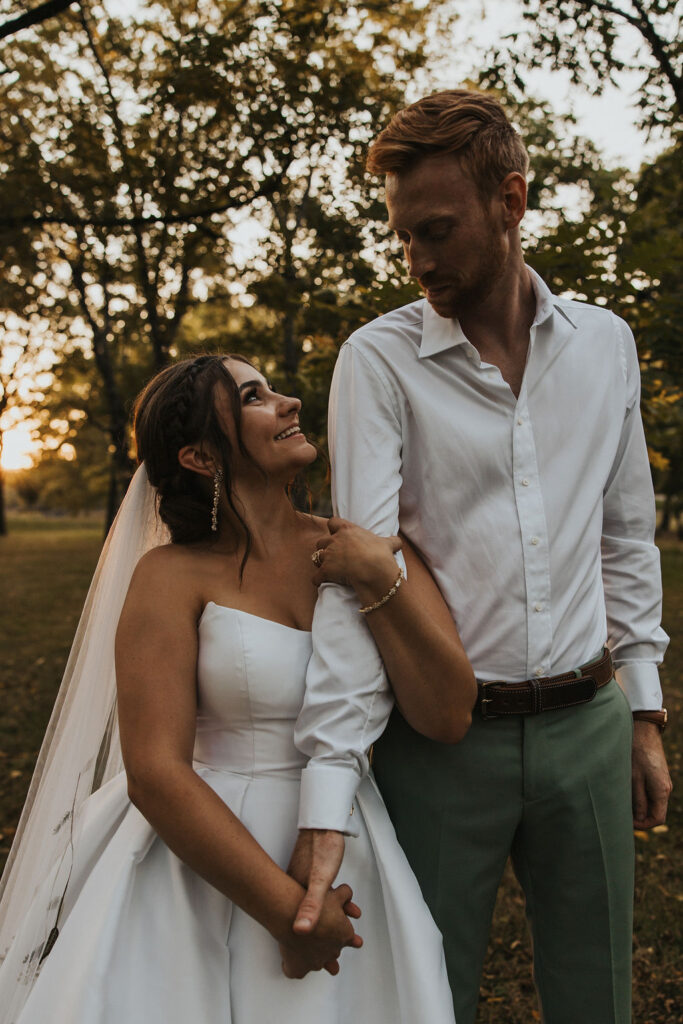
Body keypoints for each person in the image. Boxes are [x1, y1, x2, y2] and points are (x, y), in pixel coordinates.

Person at [289, 89, 672, 1024]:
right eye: (402, 236)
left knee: (598, 1003)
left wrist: (645, 707)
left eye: (437, 231)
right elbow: (355, 572)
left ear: (510, 202)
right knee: (426, 1001)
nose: (416, 260)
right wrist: (327, 791)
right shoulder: (376, 363)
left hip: (589, 724)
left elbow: (626, 533)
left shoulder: (606, 344)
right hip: (437, 749)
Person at [0, 353, 475, 1024]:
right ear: (199, 456)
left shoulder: (366, 548)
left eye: (275, 387)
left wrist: (378, 584)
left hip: (343, 833)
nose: (289, 403)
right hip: (200, 852)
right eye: (254, 396)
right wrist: (292, 914)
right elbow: (157, 772)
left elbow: (449, 714)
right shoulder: (170, 577)